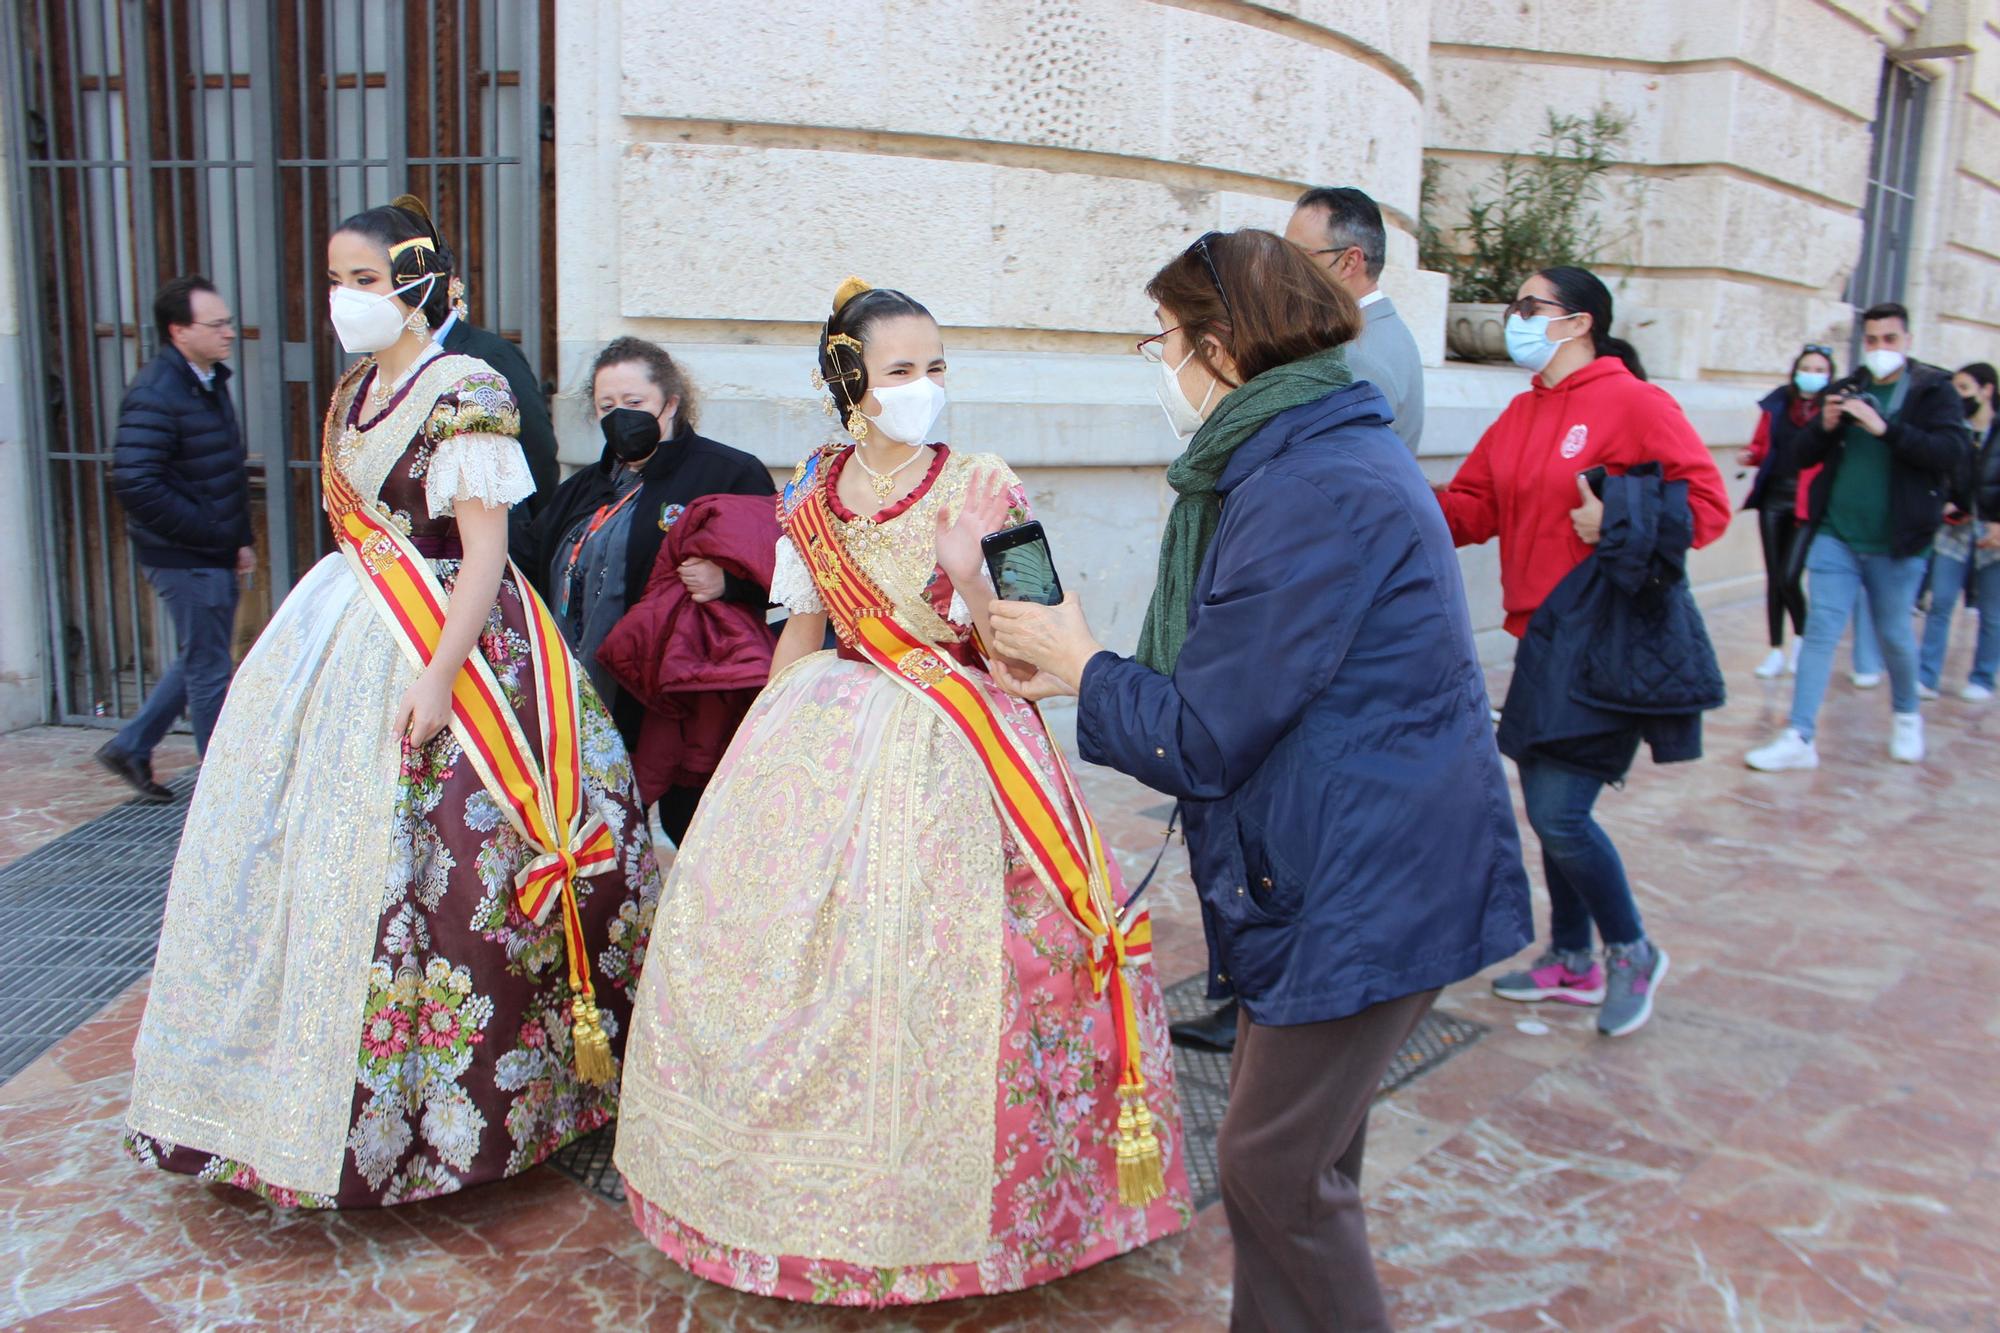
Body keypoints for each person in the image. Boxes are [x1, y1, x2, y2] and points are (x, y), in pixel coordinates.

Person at [986, 230, 1531, 1333]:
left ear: (1223, 346)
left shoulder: (1307, 483)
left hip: (1362, 873)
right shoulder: (1303, 454)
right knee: (1303, 1168)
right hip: (1360, 855)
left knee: (1271, 1169)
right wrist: (1079, 673)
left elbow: (1203, 731)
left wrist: (1083, 664)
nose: (1162, 367)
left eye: (1165, 341)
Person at [613, 278, 1192, 1306]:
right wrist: (755, 770)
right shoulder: (814, 490)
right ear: (849, 381)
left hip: (959, 741)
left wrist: (968, 574)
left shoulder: (983, 481)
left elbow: (1037, 645)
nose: (924, 387)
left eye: (935, 366)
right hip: (825, 731)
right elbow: (798, 634)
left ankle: (960, 1214)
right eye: (900, 370)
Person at [124, 195, 663, 1208]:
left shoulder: (467, 389)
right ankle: (277, 1100)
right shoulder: (350, 393)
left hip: (458, 641)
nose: (344, 297)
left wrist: (437, 673)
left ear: (416, 281)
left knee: (461, 870)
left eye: (364, 279)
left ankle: (496, 1109)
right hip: (343, 628)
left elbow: (486, 551)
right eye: (336, 278)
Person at [1437, 265, 1731, 1036]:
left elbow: (1707, 504)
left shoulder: (1634, 401)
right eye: (1515, 307)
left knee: (1562, 814)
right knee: (1546, 808)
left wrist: (1621, 519)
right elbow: (1473, 506)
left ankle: (1630, 948)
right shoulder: (1520, 413)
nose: (1516, 319)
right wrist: (1385, 498)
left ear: (1578, 323)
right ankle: (1572, 957)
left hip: (1603, 640)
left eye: (1531, 307)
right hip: (1538, 639)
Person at [530, 337, 776, 842]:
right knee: (593, 830)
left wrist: (727, 584)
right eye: (607, 406)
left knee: (694, 828)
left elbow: (785, 575)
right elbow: (531, 561)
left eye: (634, 403)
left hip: (676, 692)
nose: (620, 416)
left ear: (671, 401)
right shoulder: (581, 489)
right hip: (585, 691)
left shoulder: (728, 472)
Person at [1746, 303, 1972, 770]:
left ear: (1907, 340)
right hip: (1836, 533)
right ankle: (1799, 736)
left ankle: (1907, 716)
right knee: (1822, 629)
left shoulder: (1934, 392)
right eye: (1871, 340)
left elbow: (1948, 453)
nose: (1880, 349)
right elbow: (1798, 456)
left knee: (1893, 634)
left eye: (1889, 339)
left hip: (1897, 539)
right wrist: (1826, 426)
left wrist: (1886, 429)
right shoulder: (1848, 389)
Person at [97, 275, 254, 801]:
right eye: (217, 324)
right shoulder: (157, 392)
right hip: (183, 555)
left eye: (229, 321)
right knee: (210, 667)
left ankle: (131, 746)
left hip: (207, 547)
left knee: (199, 654)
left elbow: (221, 470)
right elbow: (135, 481)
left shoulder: (206, 379)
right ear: (179, 330)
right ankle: (219, 788)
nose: (230, 332)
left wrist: (238, 538)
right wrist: (210, 533)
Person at [432, 263, 559, 565]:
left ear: (452, 286)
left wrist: (534, 529)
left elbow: (537, 446)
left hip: (494, 538)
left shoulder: (489, 353)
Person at [1284, 186, 1425, 452]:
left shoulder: (1360, 359)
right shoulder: (1374, 332)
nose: (1283, 269)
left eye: (1299, 255)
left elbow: (1328, 474)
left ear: (1349, 262)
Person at [1741, 344, 1833, 678]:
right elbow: (1762, 443)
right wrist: (1750, 454)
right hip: (1774, 495)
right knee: (1774, 577)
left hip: (1807, 500)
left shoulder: (1831, 409)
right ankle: (1775, 649)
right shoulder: (1779, 403)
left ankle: (1802, 639)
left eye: (1820, 369)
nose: (1812, 374)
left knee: (1790, 576)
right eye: (1807, 367)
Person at [1917, 362, 2000, 701]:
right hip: (1956, 530)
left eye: (1965, 389)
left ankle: (1983, 677)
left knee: (1992, 611)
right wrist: (1949, 503)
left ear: (1987, 390)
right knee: (1941, 601)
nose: (1958, 397)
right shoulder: (1956, 431)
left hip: (1994, 532)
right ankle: (1926, 676)